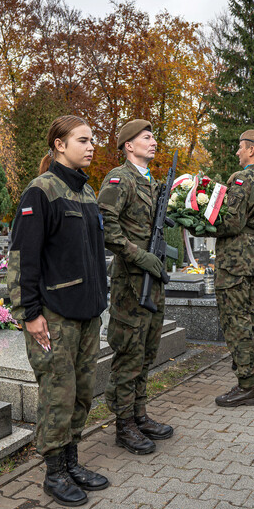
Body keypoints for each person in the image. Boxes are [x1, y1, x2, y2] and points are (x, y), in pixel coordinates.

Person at [6, 115, 109, 507]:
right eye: (82, 140)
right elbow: (23, 258)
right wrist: (29, 313)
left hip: (87, 313)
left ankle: (72, 460)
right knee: (58, 394)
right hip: (55, 317)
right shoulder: (41, 191)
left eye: (92, 140)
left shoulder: (86, 194)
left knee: (82, 393)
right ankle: (54, 472)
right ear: (59, 145)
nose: (91, 145)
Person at [97, 119, 175, 455]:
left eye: (154, 136)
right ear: (129, 145)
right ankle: (123, 424)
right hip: (131, 282)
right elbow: (106, 227)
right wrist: (138, 256)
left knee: (147, 350)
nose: (153, 141)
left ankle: (140, 413)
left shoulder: (150, 181)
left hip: (153, 280)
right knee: (129, 352)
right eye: (146, 137)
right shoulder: (119, 178)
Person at [206, 130, 254, 407]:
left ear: (250, 151)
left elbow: (231, 222)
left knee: (235, 321)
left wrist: (202, 220)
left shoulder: (243, 178)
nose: (237, 152)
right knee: (251, 318)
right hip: (253, 256)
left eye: (239, 147)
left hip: (234, 258)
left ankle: (247, 386)